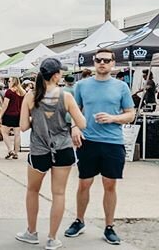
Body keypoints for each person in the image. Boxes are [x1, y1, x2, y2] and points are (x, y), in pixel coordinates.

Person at [64, 48, 135, 245]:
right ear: (94, 62)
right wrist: (75, 127)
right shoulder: (82, 85)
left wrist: (113, 118)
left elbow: (130, 113)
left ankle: (109, 226)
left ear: (113, 63)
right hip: (88, 141)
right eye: (98, 60)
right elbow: (74, 110)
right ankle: (79, 221)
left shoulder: (121, 87)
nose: (102, 63)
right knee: (84, 183)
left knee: (109, 184)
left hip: (113, 142)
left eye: (106, 60)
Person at [15, 58, 86, 249]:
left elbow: (22, 126)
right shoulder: (66, 97)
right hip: (62, 149)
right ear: (55, 75)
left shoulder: (30, 96)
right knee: (59, 193)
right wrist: (70, 125)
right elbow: (83, 123)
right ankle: (52, 238)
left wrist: (36, 121)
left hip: (39, 150)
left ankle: (31, 232)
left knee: (32, 190)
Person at [0, 77, 26, 160]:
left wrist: (1, 115)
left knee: (4, 133)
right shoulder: (22, 92)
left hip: (9, 114)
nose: (8, 82)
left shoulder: (9, 92)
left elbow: (5, 104)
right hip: (18, 115)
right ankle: (16, 153)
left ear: (13, 82)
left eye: (9, 80)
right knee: (17, 134)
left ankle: (10, 150)